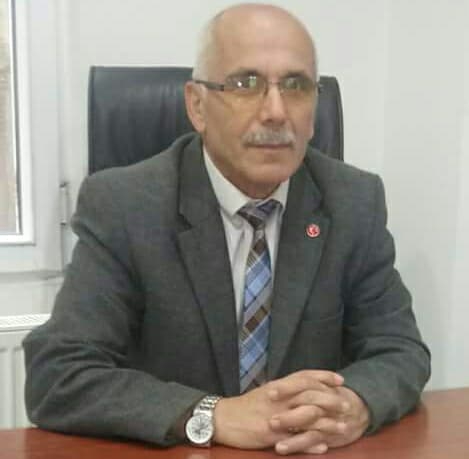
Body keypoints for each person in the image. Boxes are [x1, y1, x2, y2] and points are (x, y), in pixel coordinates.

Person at [23, 3, 430, 456]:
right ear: (197, 106)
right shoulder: (124, 205)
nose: (276, 111)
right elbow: (58, 375)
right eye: (245, 83)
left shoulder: (353, 202)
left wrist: (356, 402)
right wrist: (213, 414)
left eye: (296, 86)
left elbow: (400, 350)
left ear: (314, 110)